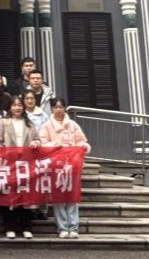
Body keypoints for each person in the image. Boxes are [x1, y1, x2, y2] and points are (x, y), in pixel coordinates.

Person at [38, 97, 90, 239]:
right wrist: (55, 146)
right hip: (56, 165)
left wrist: (81, 147)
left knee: (72, 196)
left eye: (61, 107)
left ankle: (73, 227)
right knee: (58, 197)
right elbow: (43, 143)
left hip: (72, 164)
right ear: (51, 109)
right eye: (56, 107)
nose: (59, 110)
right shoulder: (46, 126)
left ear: (65, 108)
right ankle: (62, 227)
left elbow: (82, 140)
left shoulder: (73, 125)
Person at [0, 96, 41, 239]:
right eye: (14, 105)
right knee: (10, 197)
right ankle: (10, 227)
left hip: (26, 165)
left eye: (20, 105)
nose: (17, 108)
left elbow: (38, 139)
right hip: (9, 164)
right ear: (10, 107)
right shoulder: (3, 122)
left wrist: (36, 143)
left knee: (25, 196)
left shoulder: (29, 123)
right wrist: (5, 152)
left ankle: (26, 227)